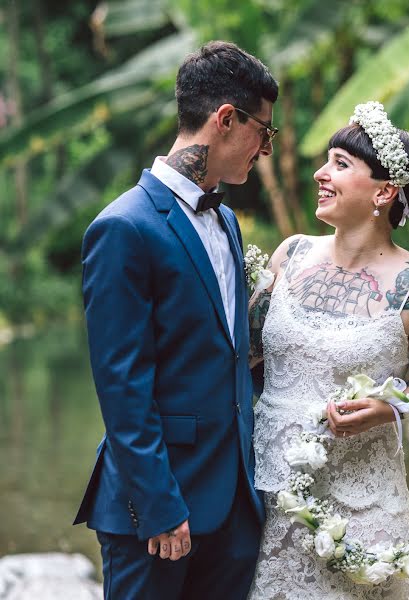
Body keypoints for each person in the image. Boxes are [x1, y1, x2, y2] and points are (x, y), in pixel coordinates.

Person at [73, 41, 278, 600]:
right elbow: (122, 383)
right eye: (265, 131)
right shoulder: (123, 227)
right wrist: (159, 504)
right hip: (157, 510)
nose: (265, 149)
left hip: (235, 504)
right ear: (226, 119)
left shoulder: (228, 221)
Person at [247, 102, 409, 599]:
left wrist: (390, 407)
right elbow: (247, 353)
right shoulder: (290, 253)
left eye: (340, 164)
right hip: (263, 494)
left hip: (360, 511)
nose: (320, 173)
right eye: (326, 161)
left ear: (384, 192)